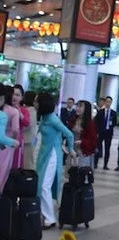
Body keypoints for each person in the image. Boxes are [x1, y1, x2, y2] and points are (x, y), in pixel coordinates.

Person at [36, 93, 75, 229]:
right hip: (43, 154)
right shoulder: (44, 117)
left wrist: (71, 149)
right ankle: (44, 215)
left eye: (37, 101)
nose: (35, 103)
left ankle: (50, 218)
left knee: (44, 185)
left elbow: (69, 134)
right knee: (40, 184)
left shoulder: (53, 119)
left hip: (52, 155)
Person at [0, 86, 20, 194]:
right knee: (2, 174)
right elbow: (16, 129)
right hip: (6, 146)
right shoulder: (13, 112)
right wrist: (14, 141)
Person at [68, 100, 98, 169]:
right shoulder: (73, 120)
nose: (77, 108)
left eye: (80, 106)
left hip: (83, 152)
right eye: (77, 106)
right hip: (72, 150)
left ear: (86, 109)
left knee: (81, 173)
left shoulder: (90, 123)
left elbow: (93, 140)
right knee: (71, 173)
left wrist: (82, 142)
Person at [94, 96, 117, 170]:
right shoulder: (100, 112)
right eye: (107, 101)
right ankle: (95, 163)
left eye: (110, 102)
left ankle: (105, 165)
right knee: (98, 147)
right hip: (100, 132)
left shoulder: (113, 113)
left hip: (109, 133)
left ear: (111, 103)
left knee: (107, 149)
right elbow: (96, 122)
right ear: (105, 102)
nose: (108, 103)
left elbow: (114, 123)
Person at [11, 84, 30, 169]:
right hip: (4, 138)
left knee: (15, 164)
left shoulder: (24, 110)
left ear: (22, 97)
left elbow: (27, 123)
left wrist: (19, 113)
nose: (14, 97)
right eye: (13, 94)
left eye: (17, 95)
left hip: (17, 140)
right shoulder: (5, 107)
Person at [21, 90, 38, 171]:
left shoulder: (31, 110)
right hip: (31, 138)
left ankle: (28, 178)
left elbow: (28, 124)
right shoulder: (30, 109)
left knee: (27, 161)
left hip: (28, 140)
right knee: (28, 159)